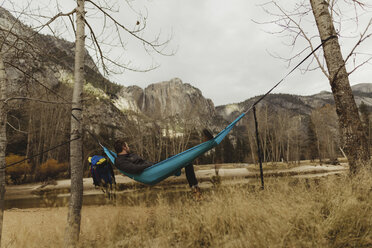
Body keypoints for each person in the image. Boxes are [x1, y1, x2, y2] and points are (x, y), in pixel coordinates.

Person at [113, 139, 202, 198]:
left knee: (184, 160)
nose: (128, 147)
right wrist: (149, 166)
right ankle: (196, 192)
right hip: (150, 172)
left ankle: (179, 173)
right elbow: (133, 169)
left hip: (155, 167)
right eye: (127, 146)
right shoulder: (120, 161)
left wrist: (153, 165)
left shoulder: (130, 155)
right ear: (124, 147)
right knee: (187, 161)